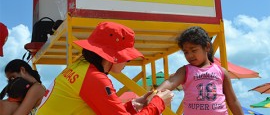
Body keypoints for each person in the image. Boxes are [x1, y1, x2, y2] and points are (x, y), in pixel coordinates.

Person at [36, 21, 174, 115]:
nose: (127, 62)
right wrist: (158, 103)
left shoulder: (81, 67)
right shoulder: (94, 78)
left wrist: (134, 105)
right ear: (113, 55)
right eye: (127, 57)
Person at [156, 26, 244, 115]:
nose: (189, 55)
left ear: (207, 47)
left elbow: (232, 101)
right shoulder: (185, 71)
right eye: (186, 52)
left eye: (193, 50)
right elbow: (171, 82)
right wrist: (154, 93)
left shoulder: (221, 72)